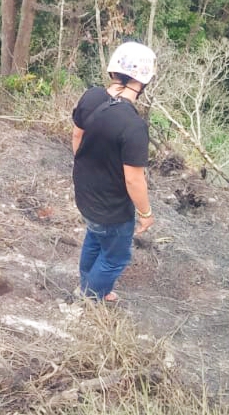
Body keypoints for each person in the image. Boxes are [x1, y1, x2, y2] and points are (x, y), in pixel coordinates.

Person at [70, 41, 156, 302]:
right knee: (115, 257)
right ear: (143, 80)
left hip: (85, 192)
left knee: (95, 236)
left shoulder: (91, 97)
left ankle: (90, 285)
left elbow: (77, 136)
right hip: (112, 207)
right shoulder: (133, 125)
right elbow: (133, 179)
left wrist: (88, 168)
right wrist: (146, 214)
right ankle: (88, 298)